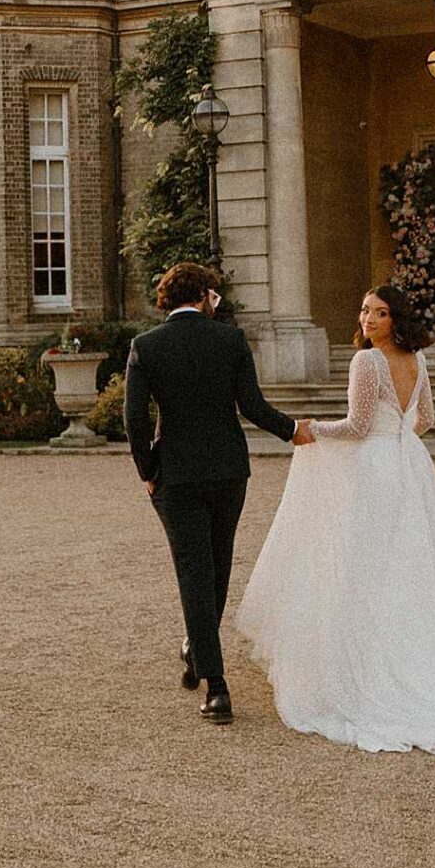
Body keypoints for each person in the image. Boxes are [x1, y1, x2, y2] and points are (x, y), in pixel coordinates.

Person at [236, 283, 435, 755]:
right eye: (365, 310)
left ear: (396, 319)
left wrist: (310, 430)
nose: (368, 320)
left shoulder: (367, 362)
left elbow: (357, 427)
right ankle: (420, 661)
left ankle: (371, 671)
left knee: (364, 567)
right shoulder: (418, 360)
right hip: (410, 466)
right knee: (410, 568)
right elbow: (424, 418)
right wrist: (399, 441)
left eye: (380, 313)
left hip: (374, 469)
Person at [124, 259, 313, 726]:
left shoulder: (145, 346)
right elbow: (251, 405)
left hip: (177, 474)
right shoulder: (229, 340)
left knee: (194, 572)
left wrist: (149, 469)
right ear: (206, 296)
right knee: (218, 564)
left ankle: (216, 685)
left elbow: (134, 420)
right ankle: (203, 656)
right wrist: (292, 431)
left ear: (168, 299)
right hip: (229, 470)